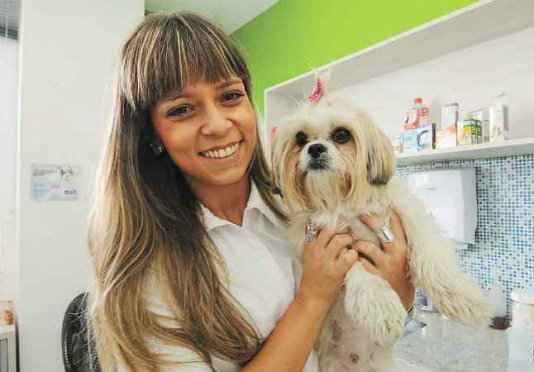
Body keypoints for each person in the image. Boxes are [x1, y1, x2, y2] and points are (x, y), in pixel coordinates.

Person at [88, 12, 414, 372]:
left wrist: (398, 285)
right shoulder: (147, 275)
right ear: (150, 134)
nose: (217, 125)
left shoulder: (296, 202)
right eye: (182, 109)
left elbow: (377, 322)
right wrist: (313, 297)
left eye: (230, 96)